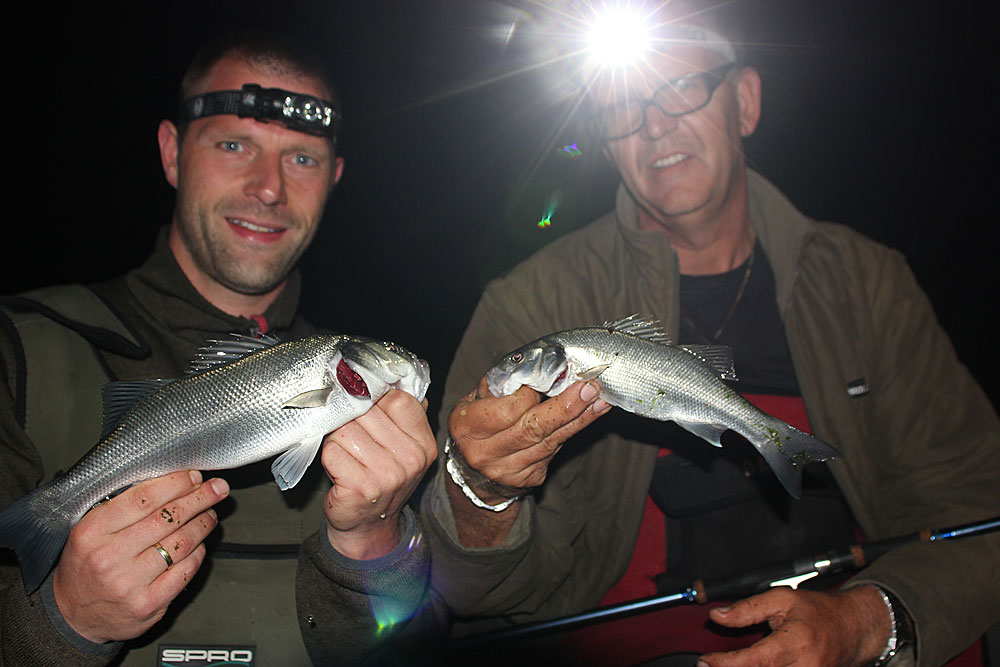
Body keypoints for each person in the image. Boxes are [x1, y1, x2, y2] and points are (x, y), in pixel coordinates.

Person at [419, 3, 1000, 666]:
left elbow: (976, 501)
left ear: (745, 102)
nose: (655, 123)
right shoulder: (533, 300)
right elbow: (464, 590)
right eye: (623, 106)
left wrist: (869, 621)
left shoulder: (865, 283)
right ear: (606, 141)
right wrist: (481, 492)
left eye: (681, 88)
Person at [0, 31, 443, 666]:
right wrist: (64, 621)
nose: (268, 187)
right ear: (173, 152)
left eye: (302, 158)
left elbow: (414, 652)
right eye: (234, 145)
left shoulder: (383, 427)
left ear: (335, 178)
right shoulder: (19, 346)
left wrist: (379, 544)